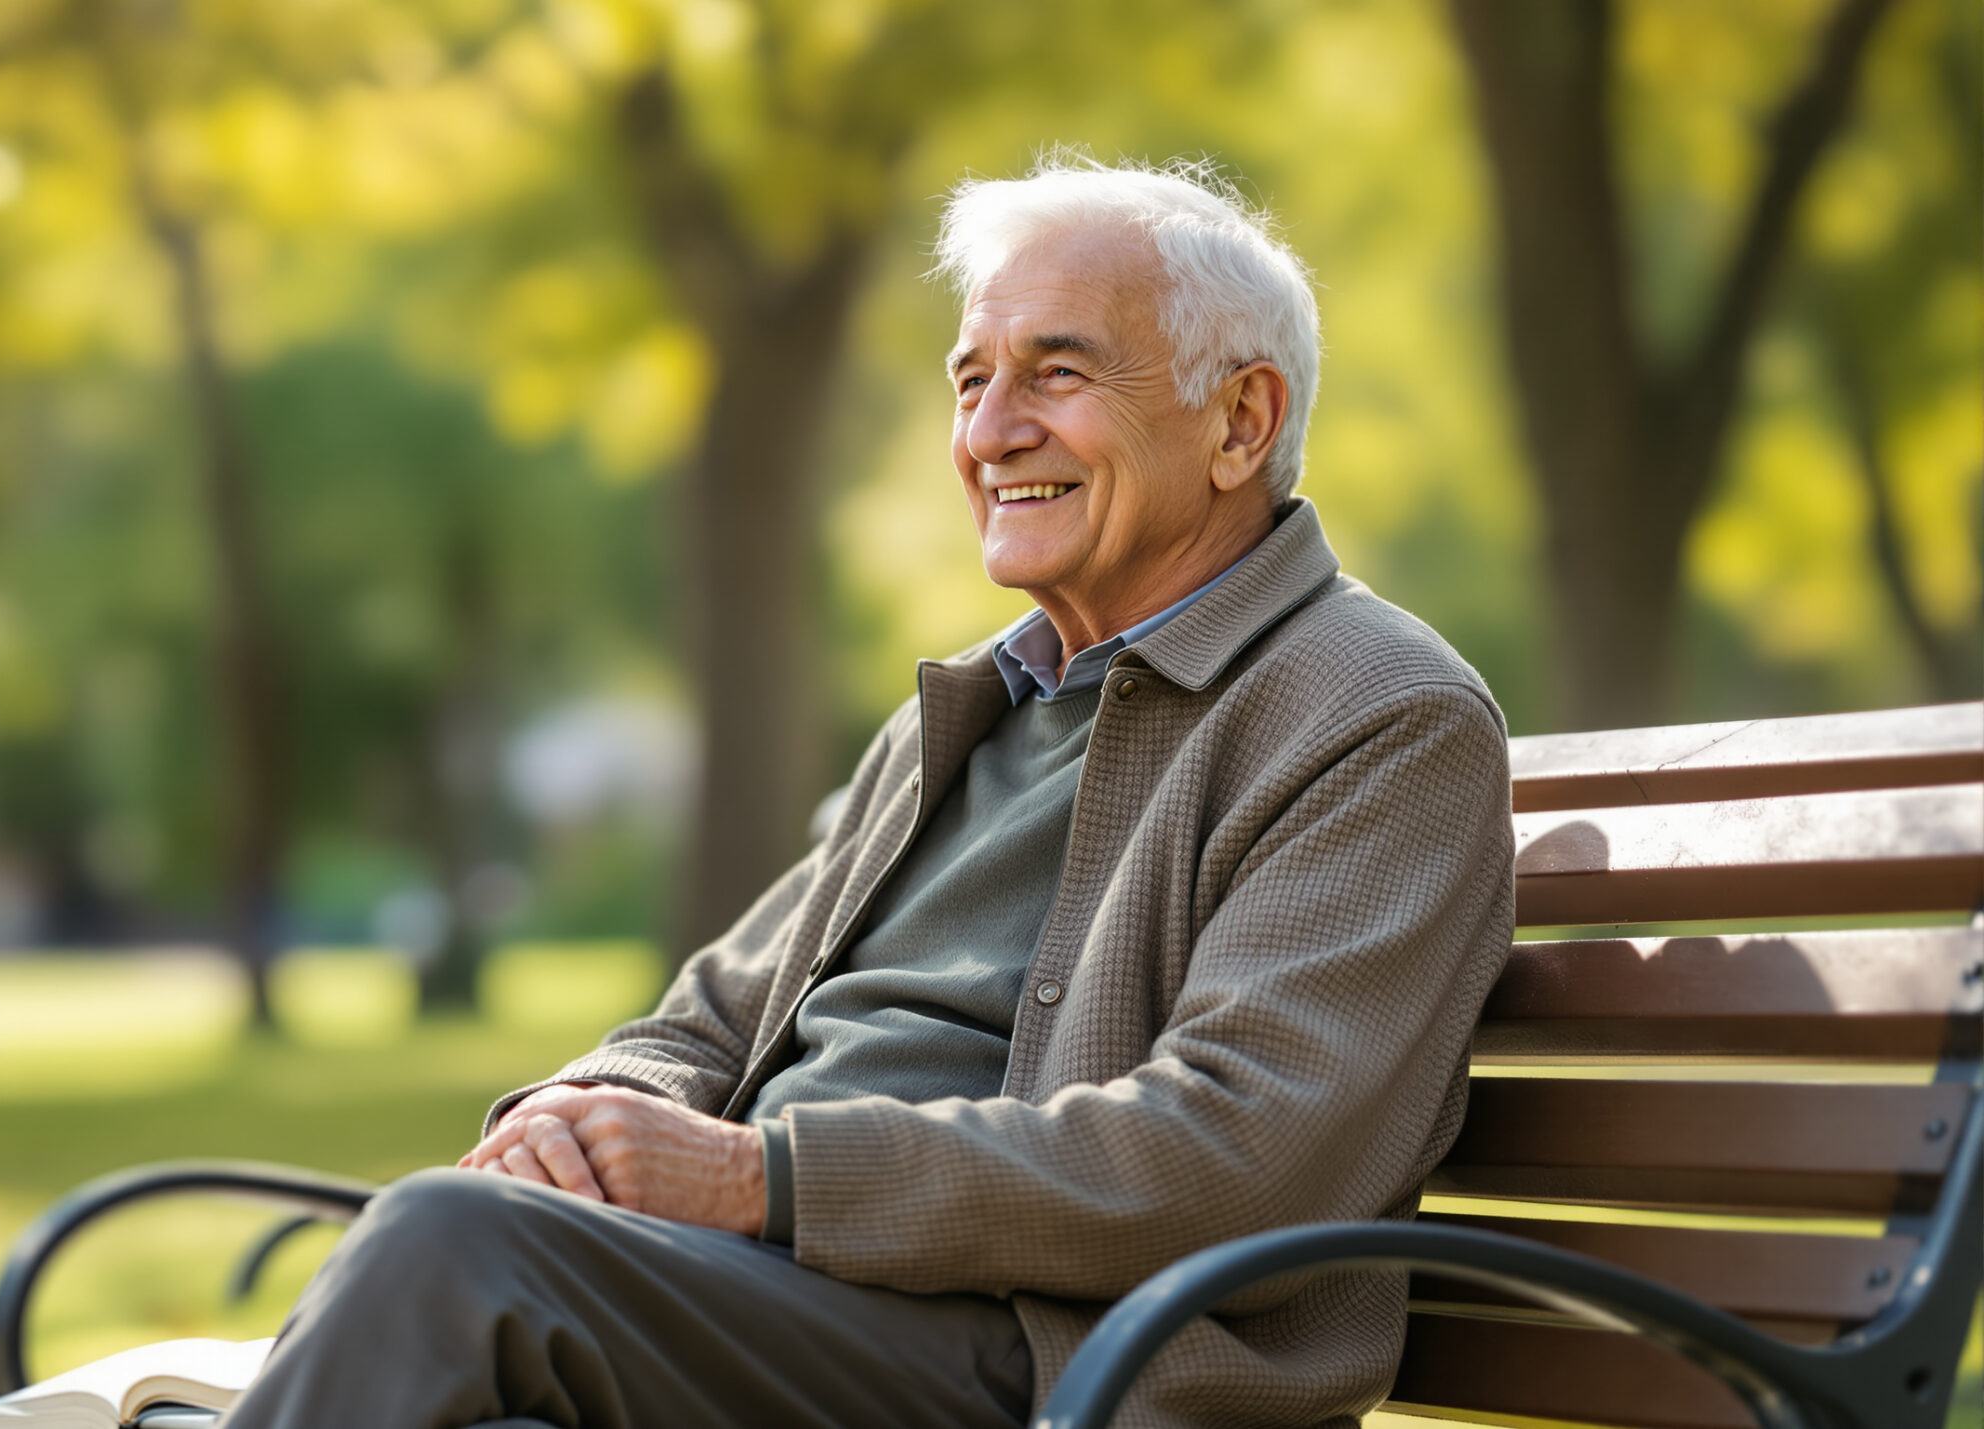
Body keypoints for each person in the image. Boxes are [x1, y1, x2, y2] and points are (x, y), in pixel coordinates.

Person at [221, 154, 1515, 1429]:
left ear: (1240, 421)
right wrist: (582, 1119)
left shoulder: (1378, 716)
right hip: (789, 1300)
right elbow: (714, 1016)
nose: (989, 431)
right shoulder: (972, 710)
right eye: (971, 380)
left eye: (1055, 372)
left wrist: (756, 1174)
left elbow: (1237, 1153)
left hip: (1055, 1361)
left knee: (454, 1252)